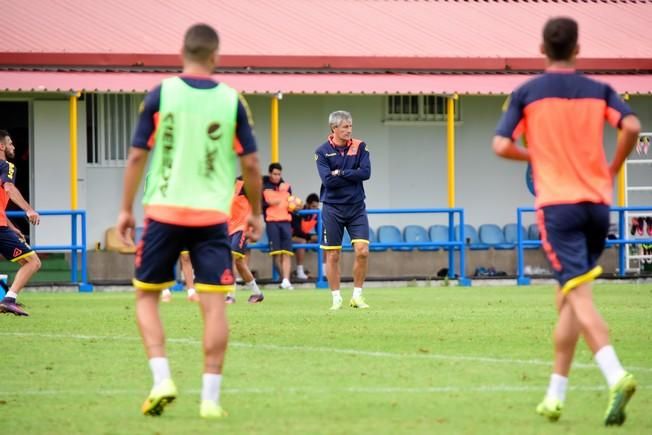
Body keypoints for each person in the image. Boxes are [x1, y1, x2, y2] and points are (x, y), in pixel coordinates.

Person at [493, 17, 640, 426]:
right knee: (568, 298)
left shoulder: (527, 92)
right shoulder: (600, 90)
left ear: (542, 48)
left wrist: (536, 156)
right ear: (578, 49)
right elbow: (631, 125)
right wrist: (612, 165)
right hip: (596, 203)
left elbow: (501, 144)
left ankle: (616, 374)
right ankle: (554, 396)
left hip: (559, 206)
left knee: (580, 297)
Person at [116, 23, 263, 419]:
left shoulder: (161, 93)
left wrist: (126, 209)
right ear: (215, 56)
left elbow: (136, 156)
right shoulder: (232, 100)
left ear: (182, 52)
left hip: (163, 212)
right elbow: (249, 162)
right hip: (212, 217)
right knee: (214, 304)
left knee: (147, 297)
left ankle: (162, 377)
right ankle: (211, 399)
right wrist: (256, 214)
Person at [315, 111, 371, 310]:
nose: (349, 130)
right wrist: (351, 174)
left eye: (350, 126)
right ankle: (336, 298)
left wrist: (341, 172)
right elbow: (327, 180)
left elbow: (366, 173)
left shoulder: (360, 146)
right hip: (332, 209)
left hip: (356, 207)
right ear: (334, 128)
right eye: (345, 127)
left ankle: (357, 296)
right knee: (333, 255)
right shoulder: (321, 151)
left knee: (362, 251)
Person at [0, 129, 41, 317]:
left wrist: (11, 226)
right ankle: (9, 300)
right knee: (33, 262)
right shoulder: (6, 166)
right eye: (10, 143)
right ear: (1, 146)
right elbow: (9, 188)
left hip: (3, 225)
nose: (13, 146)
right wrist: (29, 209)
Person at [226, 176, 264, 304]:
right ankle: (257, 293)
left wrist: (254, 228)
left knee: (231, 258)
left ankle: (230, 295)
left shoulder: (242, 185)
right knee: (240, 263)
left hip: (241, 228)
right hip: (229, 229)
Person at [262, 162, 294, 289]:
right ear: (270, 174)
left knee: (287, 252)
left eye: (279, 174)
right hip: (271, 222)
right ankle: (283, 278)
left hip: (285, 222)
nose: (277, 176)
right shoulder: (264, 186)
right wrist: (268, 203)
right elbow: (259, 205)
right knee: (276, 253)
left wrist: (296, 205)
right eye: (275, 174)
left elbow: (291, 203)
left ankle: (286, 280)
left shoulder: (286, 186)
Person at [291, 193, 320, 280]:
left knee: (323, 240)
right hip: (292, 237)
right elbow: (297, 231)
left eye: (316, 206)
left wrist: (317, 237)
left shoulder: (316, 213)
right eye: (313, 206)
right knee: (302, 242)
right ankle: (300, 272)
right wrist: (310, 238)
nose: (315, 209)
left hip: (305, 237)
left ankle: (324, 271)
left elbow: (320, 229)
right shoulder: (298, 212)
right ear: (307, 204)